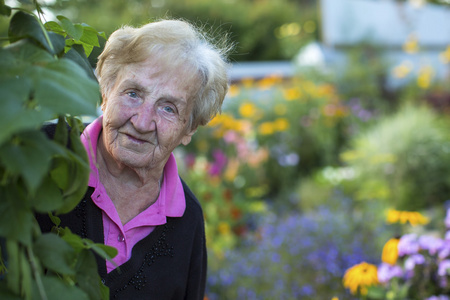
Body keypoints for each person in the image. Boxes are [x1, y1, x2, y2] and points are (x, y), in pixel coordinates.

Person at [38, 19, 230, 299]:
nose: (142, 122)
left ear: (189, 128)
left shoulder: (187, 219)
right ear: (105, 93)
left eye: (167, 108)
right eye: (133, 93)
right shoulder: (41, 151)